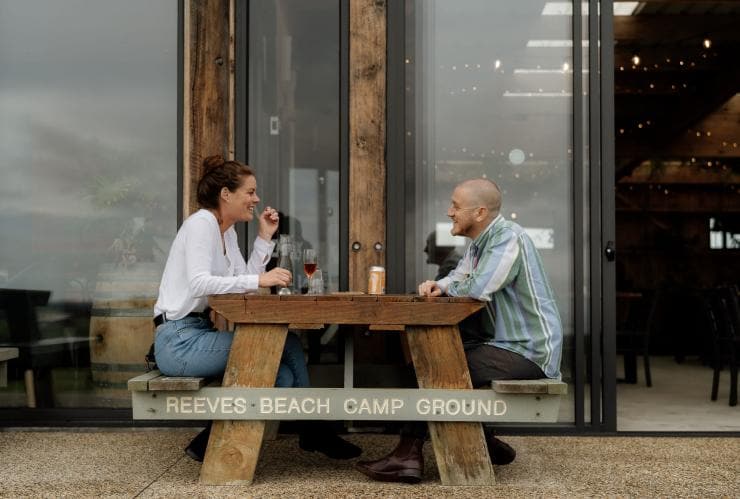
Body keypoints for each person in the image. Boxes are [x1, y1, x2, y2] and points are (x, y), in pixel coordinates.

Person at [153, 155, 361, 462]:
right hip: (179, 341)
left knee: (284, 378)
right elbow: (199, 283)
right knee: (286, 343)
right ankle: (313, 429)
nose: (256, 199)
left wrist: (265, 237)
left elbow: (245, 282)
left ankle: (207, 441)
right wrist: (261, 277)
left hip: (197, 334)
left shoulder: (227, 232)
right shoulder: (201, 224)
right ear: (226, 194)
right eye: (250, 192)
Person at [355, 178, 563, 483]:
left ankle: (407, 457)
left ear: (479, 213)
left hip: (529, 351)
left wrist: (446, 288)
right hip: (506, 345)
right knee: (438, 360)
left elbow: (479, 287)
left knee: (438, 367)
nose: (449, 211)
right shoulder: (481, 244)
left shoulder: (508, 238)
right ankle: (483, 441)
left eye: (455, 205)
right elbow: (459, 276)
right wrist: (439, 285)